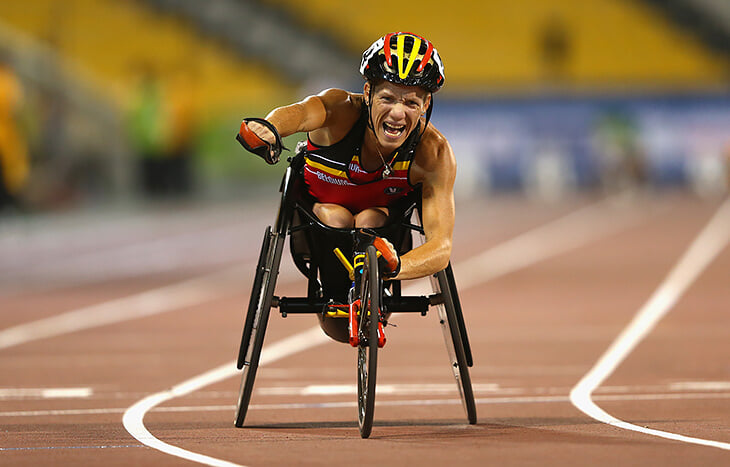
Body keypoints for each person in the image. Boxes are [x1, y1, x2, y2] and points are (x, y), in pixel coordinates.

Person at [238, 32, 456, 284]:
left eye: (410, 103)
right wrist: (271, 127)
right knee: (336, 216)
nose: (397, 113)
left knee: (369, 219)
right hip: (319, 224)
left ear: (426, 104)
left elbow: (441, 247)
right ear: (368, 93)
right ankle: (333, 289)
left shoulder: (433, 153)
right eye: (387, 98)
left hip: (383, 234)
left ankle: (371, 296)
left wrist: (395, 266)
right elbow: (301, 113)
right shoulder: (339, 110)